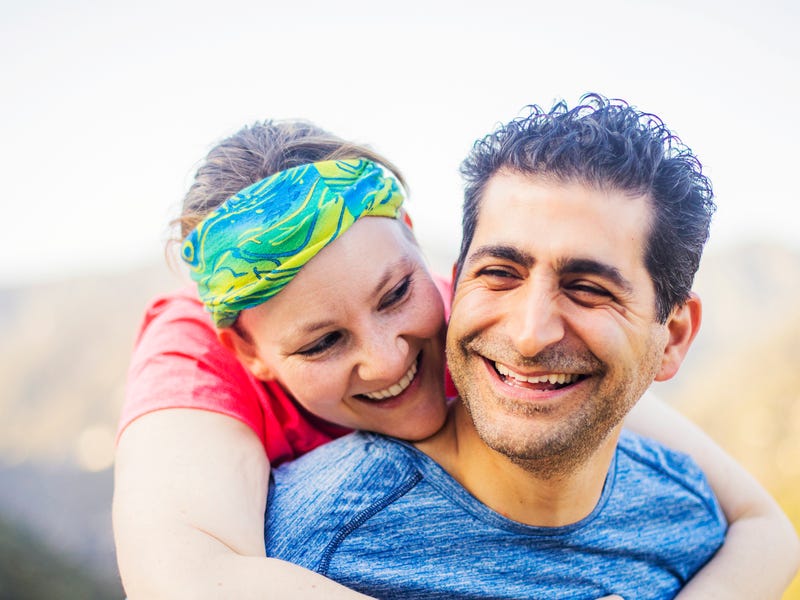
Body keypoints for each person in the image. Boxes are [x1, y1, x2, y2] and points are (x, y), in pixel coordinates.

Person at [113, 114, 798, 599]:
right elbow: (186, 578)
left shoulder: (489, 313)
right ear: (249, 351)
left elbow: (759, 521)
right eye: (323, 343)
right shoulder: (197, 359)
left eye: (396, 296)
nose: (385, 360)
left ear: (418, 246)